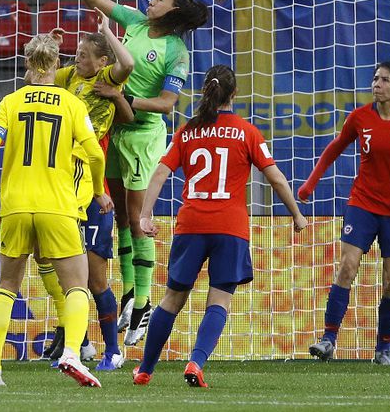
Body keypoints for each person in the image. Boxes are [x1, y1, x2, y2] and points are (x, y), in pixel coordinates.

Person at [130, 65, 307, 386]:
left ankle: (144, 369)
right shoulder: (246, 131)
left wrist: (145, 215)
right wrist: (296, 214)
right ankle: (196, 363)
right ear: (234, 94)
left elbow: (159, 173)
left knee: (172, 298)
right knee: (220, 300)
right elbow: (276, 178)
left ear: (204, 92)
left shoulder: (188, 131)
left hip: (191, 224)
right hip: (230, 227)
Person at [63, 0, 208, 346]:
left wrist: (124, 95)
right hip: (115, 130)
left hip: (144, 135)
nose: (151, 2)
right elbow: (97, 0)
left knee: (137, 217)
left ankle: (143, 302)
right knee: (122, 218)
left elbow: (166, 104)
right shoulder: (135, 22)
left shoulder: (176, 51)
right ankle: (129, 293)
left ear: (173, 9)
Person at [0, 34, 113, 388]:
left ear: (27, 65)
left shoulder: (11, 101)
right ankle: (72, 353)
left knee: (6, 285)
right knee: (76, 285)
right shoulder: (70, 103)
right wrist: (96, 191)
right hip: (59, 206)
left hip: (16, 206)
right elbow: (95, 154)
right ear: (56, 65)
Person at [300, 61, 390, 364]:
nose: (376, 84)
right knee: (347, 267)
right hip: (362, 204)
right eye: (375, 78)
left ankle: (383, 349)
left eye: (384, 80)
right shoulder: (360, 117)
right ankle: (328, 340)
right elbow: (334, 148)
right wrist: (310, 184)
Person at [38, 12, 135, 371]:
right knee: (67, 275)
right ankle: (76, 348)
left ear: (102, 61)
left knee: (95, 277)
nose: (76, 59)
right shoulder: (69, 77)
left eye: (82, 54)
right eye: (75, 54)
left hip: (94, 191)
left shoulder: (108, 77)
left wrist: (107, 31)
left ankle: (113, 351)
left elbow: (128, 62)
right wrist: (51, 46)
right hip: (63, 187)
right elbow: (38, 76)